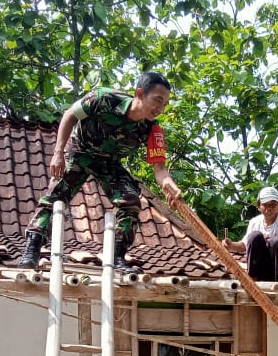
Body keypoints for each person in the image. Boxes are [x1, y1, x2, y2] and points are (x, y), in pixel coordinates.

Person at [18, 71, 183, 271]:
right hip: (80, 151)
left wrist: (169, 185)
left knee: (131, 201)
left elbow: (160, 169)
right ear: (140, 93)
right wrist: (58, 152)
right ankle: (32, 250)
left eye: (165, 104)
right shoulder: (104, 98)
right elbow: (70, 115)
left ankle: (116, 257)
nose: (160, 108)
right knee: (56, 196)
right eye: (158, 100)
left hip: (109, 162)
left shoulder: (153, 129)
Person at [222, 186, 278, 281]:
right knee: (254, 236)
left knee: (276, 242)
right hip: (261, 269)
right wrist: (230, 245)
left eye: (272, 205)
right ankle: (253, 278)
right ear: (259, 207)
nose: (269, 209)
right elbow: (245, 245)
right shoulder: (254, 222)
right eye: (265, 205)